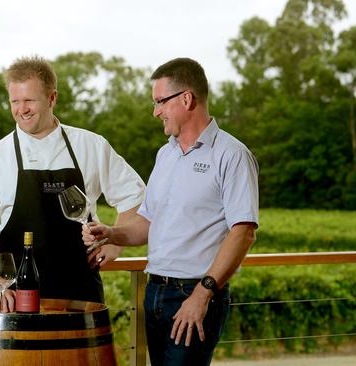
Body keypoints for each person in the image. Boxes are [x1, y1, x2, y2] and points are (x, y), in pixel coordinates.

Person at [83, 58, 259, 366]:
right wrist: (111, 232)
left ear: (186, 99)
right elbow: (148, 223)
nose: (156, 111)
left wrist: (202, 295)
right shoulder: (165, 154)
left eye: (160, 102)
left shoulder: (232, 155)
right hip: (155, 292)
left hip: (195, 292)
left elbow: (243, 233)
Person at [0, 56, 145, 311]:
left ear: (52, 98)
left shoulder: (91, 146)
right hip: (17, 300)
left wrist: (115, 242)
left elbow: (136, 197)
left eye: (30, 100)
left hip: (81, 295)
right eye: (15, 101)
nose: (22, 109)